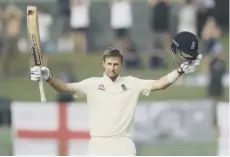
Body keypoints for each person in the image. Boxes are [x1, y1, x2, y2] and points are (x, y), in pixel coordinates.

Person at [30, 31, 202, 156]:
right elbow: (65, 87)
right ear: (103, 64)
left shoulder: (131, 83)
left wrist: (179, 71)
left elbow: (160, 84)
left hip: (123, 144)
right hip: (98, 144)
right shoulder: (92, 84)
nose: (112, 68)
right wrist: (49, 78)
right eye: (109, 64)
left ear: (121, 65)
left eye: (116, 64)